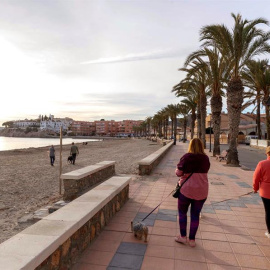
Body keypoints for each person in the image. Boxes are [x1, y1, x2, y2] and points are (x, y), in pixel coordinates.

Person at [174, 138, 210, 247]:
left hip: (186, 190)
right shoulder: (205, 158)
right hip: (201, 191)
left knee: (182, 213)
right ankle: (192, 240)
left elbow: (179, 173)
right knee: (195, 215)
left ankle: (183, 237)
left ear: (190, 146)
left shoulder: (186, 157)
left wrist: (177, 171)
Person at [253, 146, 270, 239]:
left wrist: (255, 188)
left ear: (267, 153)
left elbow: (256, 178)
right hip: (266, 191)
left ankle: (269, 231)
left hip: (266, 192)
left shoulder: (262, 163)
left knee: (268, 211)